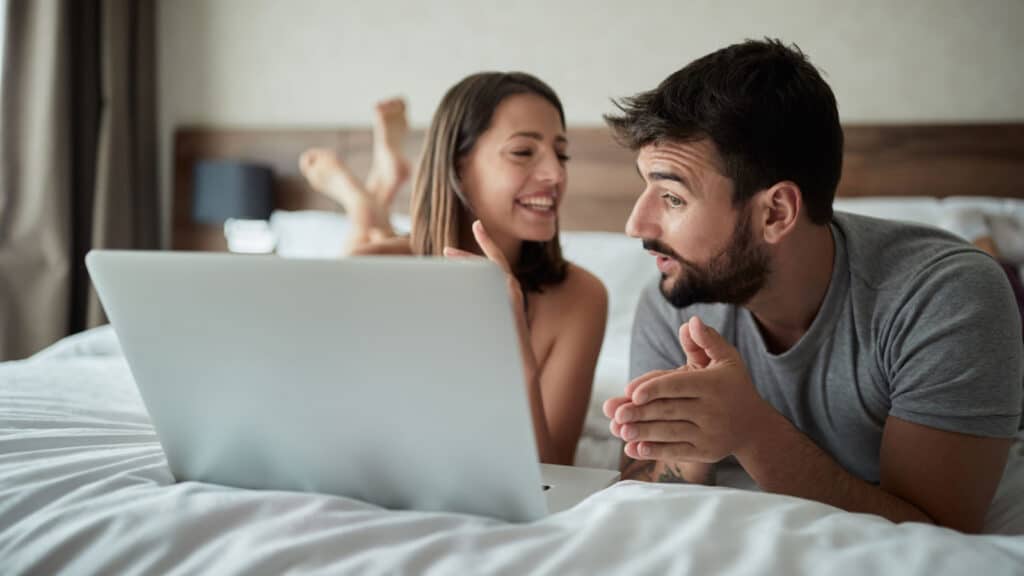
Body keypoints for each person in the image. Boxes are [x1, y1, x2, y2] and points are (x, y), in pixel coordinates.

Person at [601, 39, 1022, 533]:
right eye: (645, 187)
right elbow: (645, 485)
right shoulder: (676, 294)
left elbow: (938, 537)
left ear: (776, 213)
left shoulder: (946, 299)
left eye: (672, 197)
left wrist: (753, 432)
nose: (636, 224)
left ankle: (982, 232)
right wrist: (688, 441)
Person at [298, 73, 608, 466]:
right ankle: (365, 202)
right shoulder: (372, 269)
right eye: (523, 152)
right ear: (458, 166)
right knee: (360, 254)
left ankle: (371, 195)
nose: (556, 175)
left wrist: (509, 333)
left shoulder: (581, 297)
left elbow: (552, 473)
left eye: (561, 155)